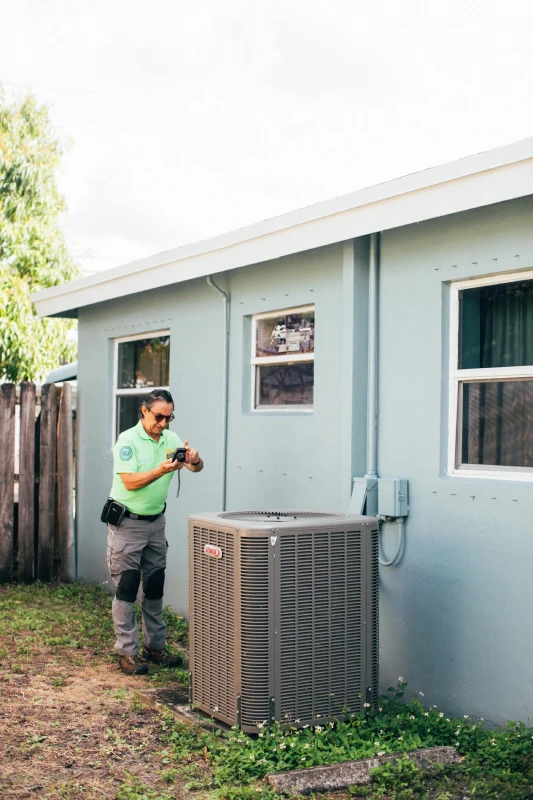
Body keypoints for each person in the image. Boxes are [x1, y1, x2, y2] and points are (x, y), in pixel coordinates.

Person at [105, 389, 203, 675]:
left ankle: (155, 647)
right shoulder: (128, 440)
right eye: (159, 416)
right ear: (144, 411)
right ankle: (127, 652)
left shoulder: (171, 439)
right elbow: (130, 482)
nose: (163, 423)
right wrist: (161, 471)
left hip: (156, 524)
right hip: (127, 524)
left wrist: (194, 460)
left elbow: (194, 468)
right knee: (127, 588)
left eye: (169, 417)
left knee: (155, 586)